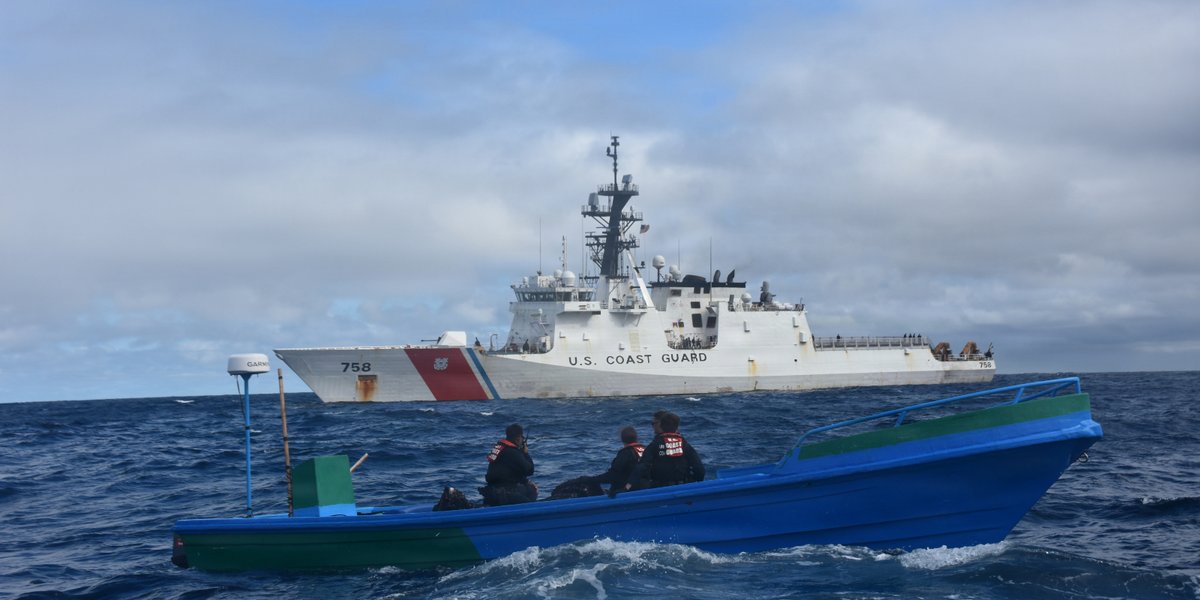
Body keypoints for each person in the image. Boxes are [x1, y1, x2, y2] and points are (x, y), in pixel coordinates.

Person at [631, 411, 704, 490]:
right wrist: (693, 482)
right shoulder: (685, 445)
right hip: (683, 488)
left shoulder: (654, 445)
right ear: (677, 427)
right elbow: (699, 468)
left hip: (660, 490)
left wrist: (629, 486)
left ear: (661, 426)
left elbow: (642, 468)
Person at [479, 423, 537, 506]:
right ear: (517, 438)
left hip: (493, 491)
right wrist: (525, 453)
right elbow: (530, 470)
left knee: (529, 487)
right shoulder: (512, 452)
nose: (523, 440)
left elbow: (507, 472)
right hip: (505, 494)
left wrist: (526, 481)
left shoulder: (499, 448)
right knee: (531, 494)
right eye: (522, 437)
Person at [587, 426, 645, 497]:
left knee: (589, 482)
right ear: (636, 438)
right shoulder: (645, 450)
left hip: (627, 492)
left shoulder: (625, 453)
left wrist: (592, 479)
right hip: (644, 488)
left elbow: (612, 475)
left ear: (622, 439)